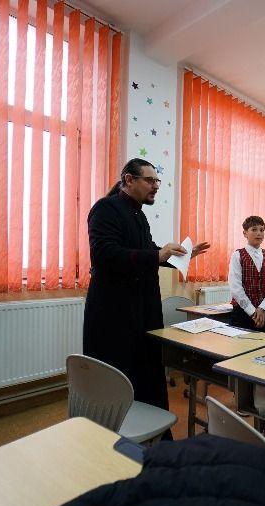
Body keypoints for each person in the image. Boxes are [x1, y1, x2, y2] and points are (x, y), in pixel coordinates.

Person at [83, 158, 210, 431]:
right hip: (115, 313)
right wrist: (157, 255)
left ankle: (153, 436)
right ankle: (117, 440)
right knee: (118, 377)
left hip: (142, 310)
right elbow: (105, 254)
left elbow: (147, 250)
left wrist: (179, 256)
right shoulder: (105, 209)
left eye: (157, 181)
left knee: (148, 373)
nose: (156, 186)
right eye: (150, 180)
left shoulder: (138, 214)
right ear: (129, 180)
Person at [228, 216, 265, 332]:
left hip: (264, 312)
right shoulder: (238, 255)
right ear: (245, 233)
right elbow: (235, 288)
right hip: (242, 312)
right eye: (254, 229)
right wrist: (252, 311)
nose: (259, 233)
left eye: (262, 230)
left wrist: (262, 308)